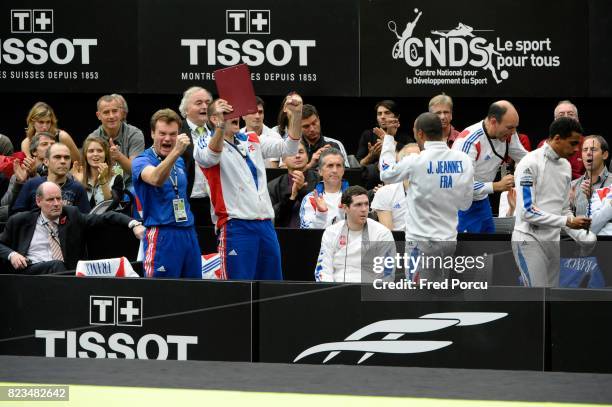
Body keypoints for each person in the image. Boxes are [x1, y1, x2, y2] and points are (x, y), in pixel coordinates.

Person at [194, 93, 303, 280]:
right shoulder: (203, 141)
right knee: (239, 290)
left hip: (266, 225)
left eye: (234, 111)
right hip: (235, 226)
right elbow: (210, 157)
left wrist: (296, 115)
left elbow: (289, 149)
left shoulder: (251, 138)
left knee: (272, 287)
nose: (234, 114)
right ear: (214, 118)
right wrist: (220, 126)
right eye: (227, 112)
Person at [380, 112, 474, 281]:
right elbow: (465, 205)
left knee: (417, 296)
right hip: (449, 241)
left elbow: (386, 174)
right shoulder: (464, 160)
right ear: (442, 132)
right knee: (439, 292)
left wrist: (388, 138)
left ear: (420, 133)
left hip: (420, 242)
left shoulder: (415, 161)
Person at [512, 117, 594, 287]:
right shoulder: (529, 163)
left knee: (550, 300)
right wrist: (568, 221)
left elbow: (563, 209)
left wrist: (580, 234)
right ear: (557, 138)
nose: (576, 149)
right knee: (537, 298)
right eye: (573, 143)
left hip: (552, 241)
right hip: (528, 239)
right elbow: (526, 211)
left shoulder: (565, 166)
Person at [0, 182, 144, 274]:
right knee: (57, 265)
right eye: (50, 200)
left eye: (59, 198)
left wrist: (134, 224)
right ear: (38, 201)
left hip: (64, 274)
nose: (56, 203)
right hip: (29, 274)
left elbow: (105, 217)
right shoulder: (21, 220)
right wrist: (12, 255)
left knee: (61, 267)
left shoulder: (72, 215)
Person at [132, 109, 201, 279]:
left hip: (188, 232)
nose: (168, 139)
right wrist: (176, 152)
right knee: (161, 292)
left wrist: (176, 155)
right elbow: (155, 178)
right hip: (162, 233)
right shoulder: (142, 160)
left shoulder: (180, 160)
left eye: (173, 134)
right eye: (162, 133)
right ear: (152, 133)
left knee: (195, 290)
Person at [452, 100, 527, 233]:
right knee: (467, 251)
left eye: (515, 127)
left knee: (489, 248)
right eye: (510, 127)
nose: (513, 132)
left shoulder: (510, 135)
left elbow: (525, 158)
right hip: (460, 205)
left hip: (482, 201)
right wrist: (497, 186)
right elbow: (461, 185)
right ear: (493, 122)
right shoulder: (469, 142)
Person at [315, 186, 395, 282]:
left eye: (366, 204)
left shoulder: (382, 233)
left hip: (368, 291)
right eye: (358, 205)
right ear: (345, 208)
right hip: (336, 290)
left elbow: (387, 274)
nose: (364, 209)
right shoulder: (331, 232)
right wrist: (331, 293)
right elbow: (323, 270)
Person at [11, 143, 90, 214]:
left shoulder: (78, 188)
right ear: (46, 162)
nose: (63, 161)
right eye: (57, 157)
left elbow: (85, 221)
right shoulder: (32, 184)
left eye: (67, 158)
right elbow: (15, 215)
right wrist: (19, 183)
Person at [89, 94, 145, 188]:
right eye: (106, 112)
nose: (111, 116)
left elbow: (135, 170)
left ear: (121, 113)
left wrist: (119, 157)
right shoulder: (93, 138)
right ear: (98, 115)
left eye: (115, 111)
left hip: (129, 182)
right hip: (103, 182)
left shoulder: (135, 134)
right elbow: (90, 172)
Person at [267, 141, 318, 227]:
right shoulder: (273, 185)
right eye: (292, 153)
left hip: (314, 233)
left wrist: (302, 191)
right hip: (283, 235)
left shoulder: (319, 180)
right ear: (283, 159)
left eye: (301, 152)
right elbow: (271, 216)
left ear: (308, 156)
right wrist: (292, 197)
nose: (297, 156)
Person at [371, 144, 420, 231]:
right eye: (410, 159)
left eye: (419, 158)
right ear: (400, 164)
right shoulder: (385, 192)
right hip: (398, 242)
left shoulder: (435, 189)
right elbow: (389, 235)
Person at [300, 148, 350, 229]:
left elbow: (360, 228)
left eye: (339, 165)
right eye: (330, 166)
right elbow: (306, 233)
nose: (335, 170)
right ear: (320, 171)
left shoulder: (355, 196)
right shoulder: (310, 198)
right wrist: (321, 214)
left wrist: (342, 212)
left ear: (343, 170)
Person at [178, 86, 214, 199]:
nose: (205, 107)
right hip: (188, 199)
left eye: (208, 103)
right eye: (198, 103)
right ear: (186, 110)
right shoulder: (176, 131)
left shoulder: (218, 131)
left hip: (215, 201)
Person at [537, 100, 584, 180]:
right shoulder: (544, 145)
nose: (566, 117)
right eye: (561, 115)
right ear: (555, 121)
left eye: (570, 114)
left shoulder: (587, 143)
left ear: (577, 119)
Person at [74, 136, 124, 208]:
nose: (95, 154)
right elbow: (76, 208)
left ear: (105, 155)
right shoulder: (78, 176)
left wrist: (102, 180)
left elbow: (112, 206)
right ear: (85, 155)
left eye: (100, 151)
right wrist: (79, 184)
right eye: (91, 151)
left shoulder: (116, 178)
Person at [300, 104, 350, 170]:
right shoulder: (293, 146)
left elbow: (347, 175)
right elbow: (285, 174)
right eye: (306, 126)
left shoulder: (335, 144)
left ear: (319, 119)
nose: (312, 129)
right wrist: (310, 165)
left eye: (314, 123)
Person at [241, 96, 284, 168]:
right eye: (253, 112)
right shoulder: (235, 137)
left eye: (260, 112)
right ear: (243, 116)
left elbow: (278, 169)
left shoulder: (275, 137)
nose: (257, 116)